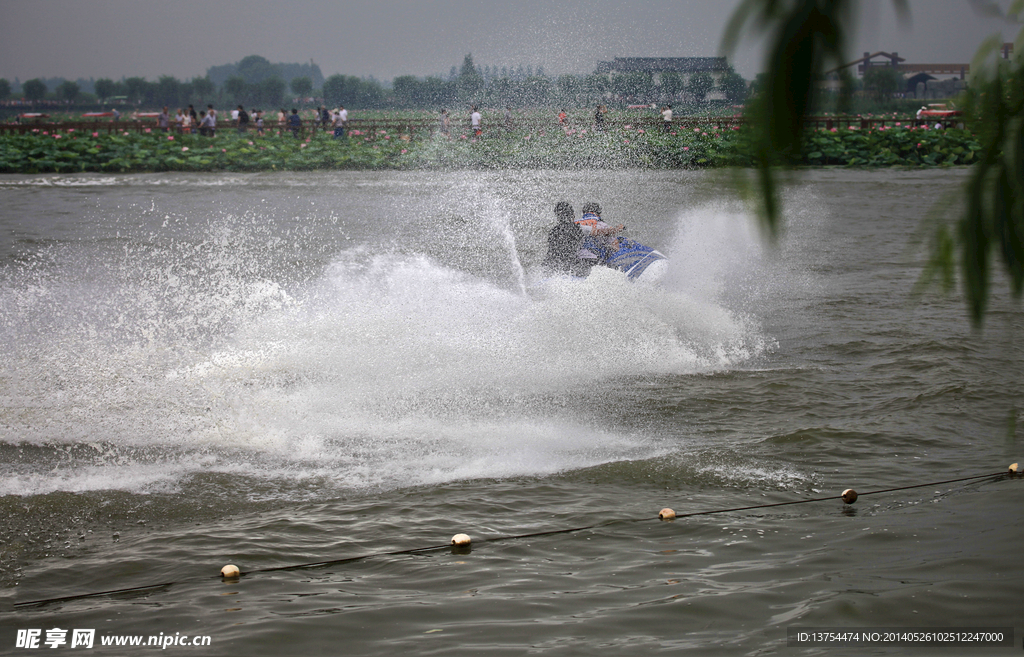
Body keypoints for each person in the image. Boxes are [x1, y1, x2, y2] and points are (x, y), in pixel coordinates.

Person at [544, 201, 590, 276]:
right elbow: (598, 232)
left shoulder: (553, 231)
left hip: (552, 264)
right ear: (573, 215)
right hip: (572, 264)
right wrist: (614, 230)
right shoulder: (578, 228)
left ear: (558, 217)